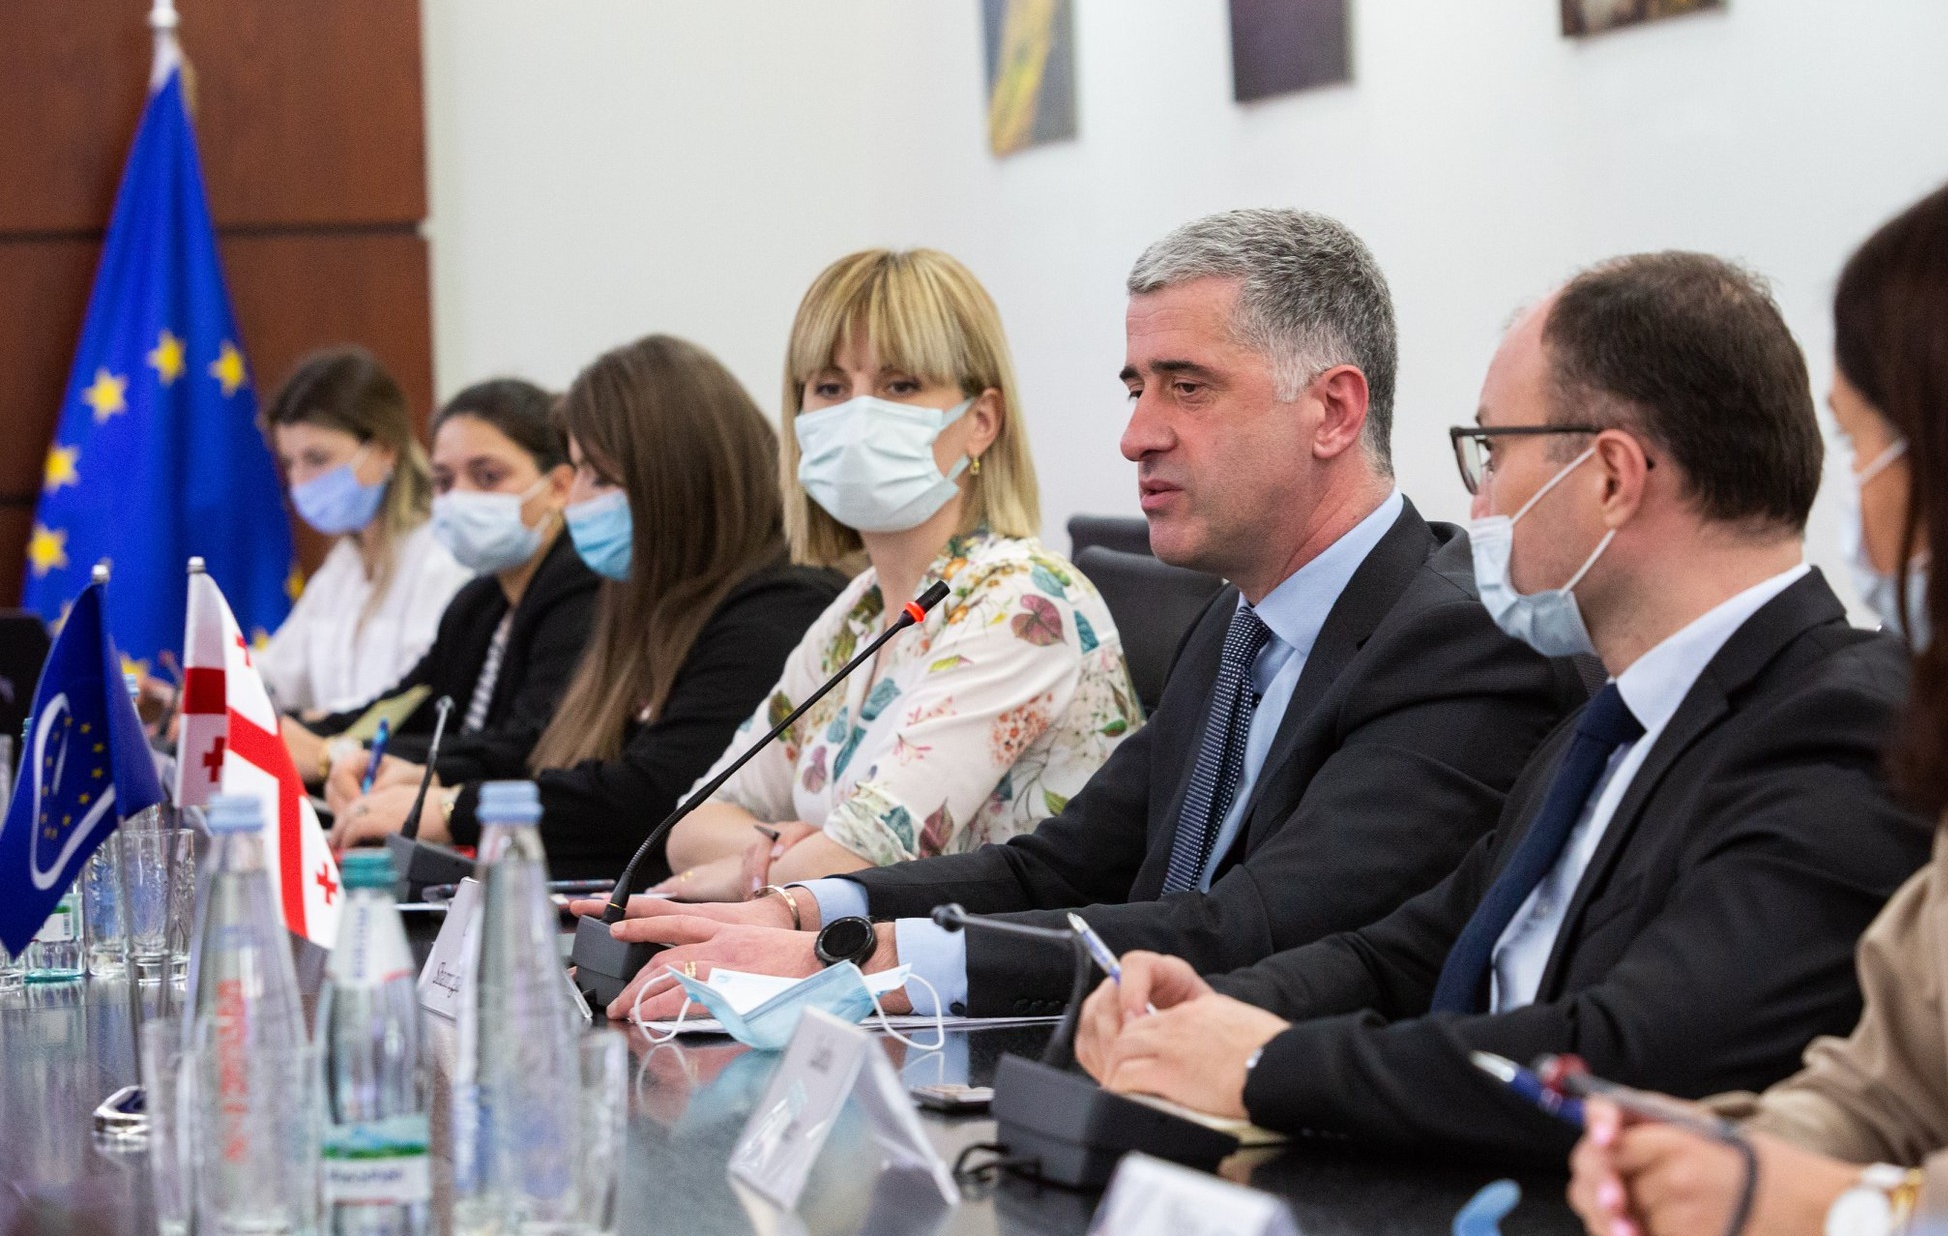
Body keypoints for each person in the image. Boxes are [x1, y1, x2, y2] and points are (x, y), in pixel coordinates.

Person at [583, 209, 1585, 1024]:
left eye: (1186, 388)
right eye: (1136, 387)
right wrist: (806, 907)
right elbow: (1052, 867)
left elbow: (1245, 927)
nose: (1135, 435)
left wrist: (853, 956)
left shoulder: (1454, 640)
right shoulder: (1233, 626)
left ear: (1331, 411)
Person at [1073, 251, 1932, 1161]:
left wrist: (1264, 1064)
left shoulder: (1841, 729)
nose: (1477, 498)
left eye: (1494, 451)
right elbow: (1409, 951)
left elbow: (1633, 1055)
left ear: (1612, 477)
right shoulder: (1606, 725)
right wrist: (1213, 1007)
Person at [1568, 167, 1948, 1236]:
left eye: (1859, 447)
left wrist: (1853, 1206)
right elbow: (1882, 1087)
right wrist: (1719, 1155)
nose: (1855, 511)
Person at [654, 248, 1141, 900]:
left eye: (900, 386)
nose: (857, 415)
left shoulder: (1026, 601)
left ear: (981, 421)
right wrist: (788, 849)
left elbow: (860, 861)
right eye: (830, 388)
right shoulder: (857, 613)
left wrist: (785, 855)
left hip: (999, 960)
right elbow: (689, 827)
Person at [333, 335, 844, 881]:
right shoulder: (640, 599)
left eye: (597, 476)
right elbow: (552, 752)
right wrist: (432, 778)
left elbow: (651, 796)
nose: (573, 498)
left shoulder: (778, 608)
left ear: (677, 477)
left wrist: (453, 807)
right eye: (576, 471)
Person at [287, 378, 599, 809]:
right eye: (444, 481)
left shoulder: (582, 588)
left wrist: (336, 754)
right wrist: (297, 734)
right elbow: (405, 706)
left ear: (559, 487)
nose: (460, 497)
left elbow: (525, 746)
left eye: (487, 476)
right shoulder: (479, 600)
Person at [260, 346, 470, 717]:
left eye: (317, 459)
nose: (299, 481)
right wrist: (200, 694)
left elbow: (413, 702)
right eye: (290, 463)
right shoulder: (344, 563)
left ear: (385, 449)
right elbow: (277, 675)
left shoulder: (441, 555)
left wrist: (315, 729)